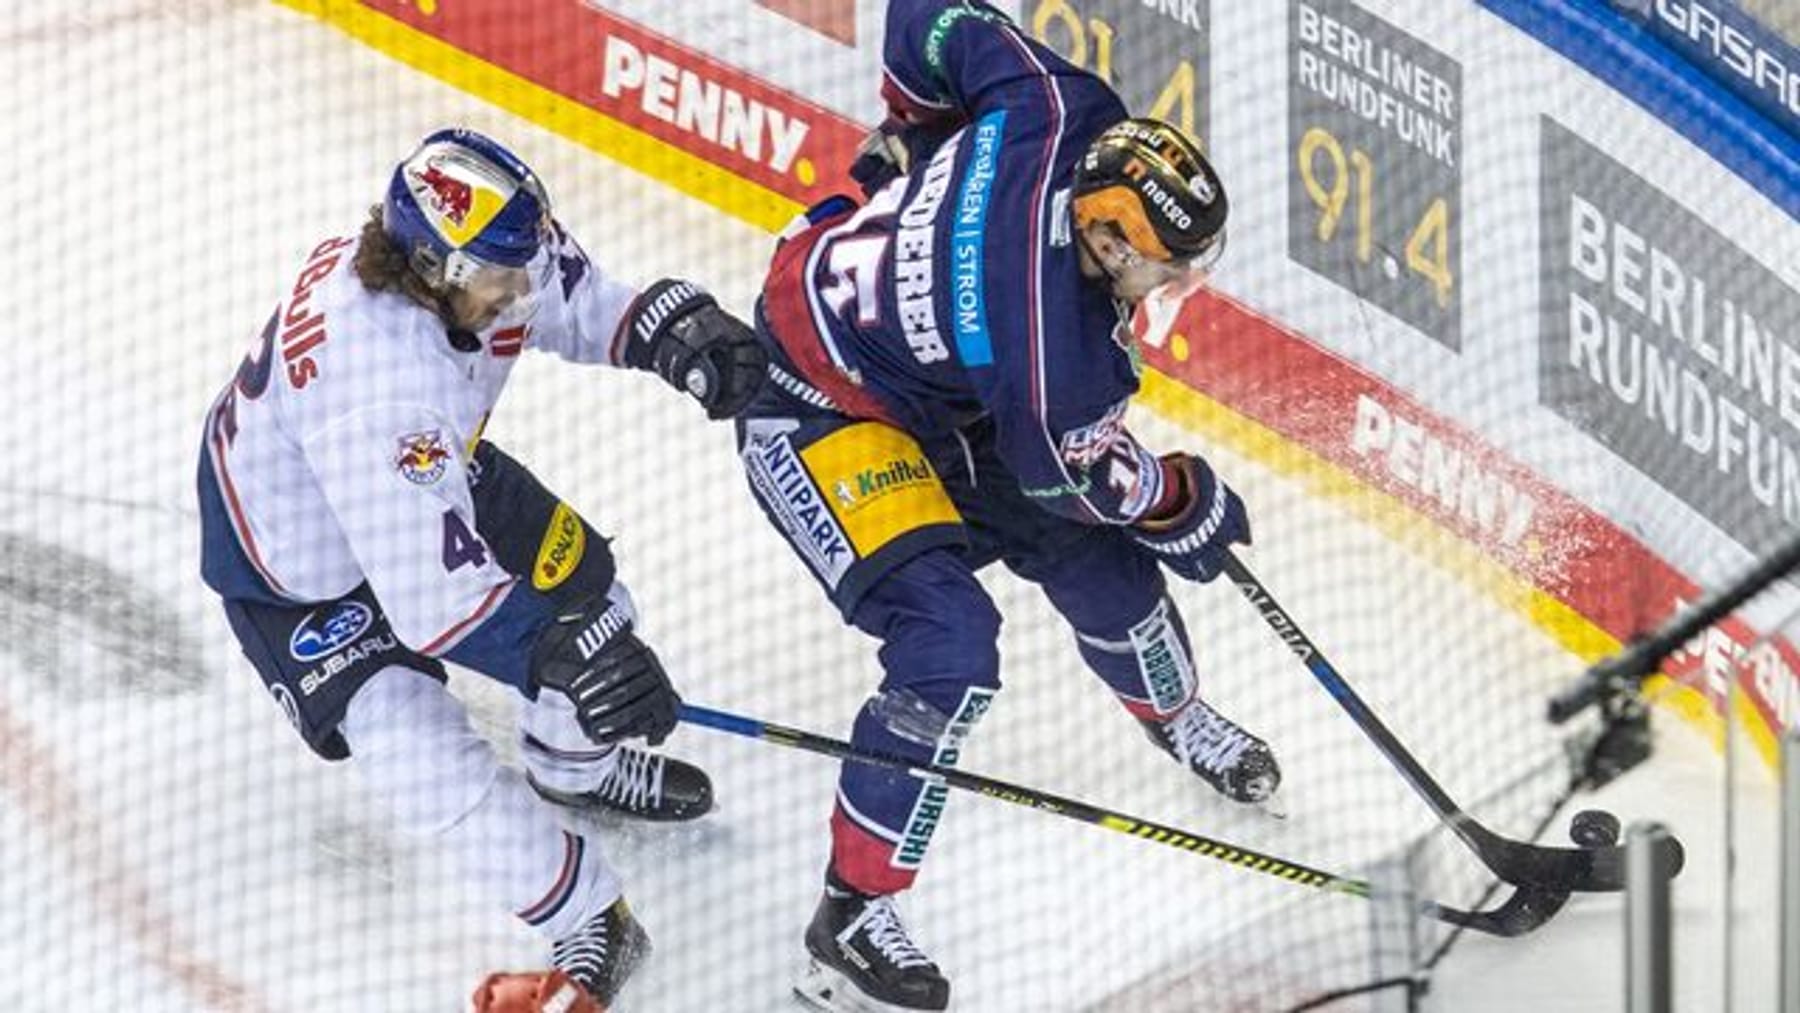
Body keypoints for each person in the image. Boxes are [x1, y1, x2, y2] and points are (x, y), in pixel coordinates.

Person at [733, 2, 1281, 1008]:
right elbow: (1072, 477)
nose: (1173, 285)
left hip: (937, 377)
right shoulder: (1053, 354)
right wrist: (1180, 502)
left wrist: (914, 125)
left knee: (1102, 568)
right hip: (813, 401)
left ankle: (1180, 714)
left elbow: (925, 20)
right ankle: (851, 910)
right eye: (1164, 265)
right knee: (950, 642)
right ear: (1111, 239)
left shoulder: (1056, 100)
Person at [196, 127, 764, 1004]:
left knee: (593, 597)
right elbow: (438, 606)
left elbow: (578, 300)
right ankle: (586, 914)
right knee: (415, 750)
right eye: (503, 278)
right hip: (297, 571)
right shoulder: (378, 382)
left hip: (427, 477)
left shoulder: (484, 258)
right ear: (434, 270)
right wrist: (569, 657)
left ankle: (571, 764)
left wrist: (664, 330)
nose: (522, 288)